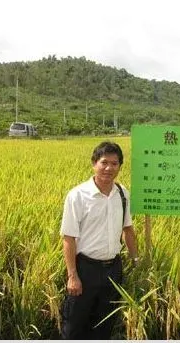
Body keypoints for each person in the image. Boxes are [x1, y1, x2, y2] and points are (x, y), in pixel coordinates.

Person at [60, 141, 139, 339]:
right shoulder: (78, 195)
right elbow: (68, 237)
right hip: (86, 269)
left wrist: (136, 259)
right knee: (75, 324)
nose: (108, 168)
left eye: (114, 163)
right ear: (94, 164)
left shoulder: (122, 194)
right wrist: (72, 275)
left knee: (105, 324)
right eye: (104, 162)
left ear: (120, 166)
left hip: (113, 268)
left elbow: (128, 229)